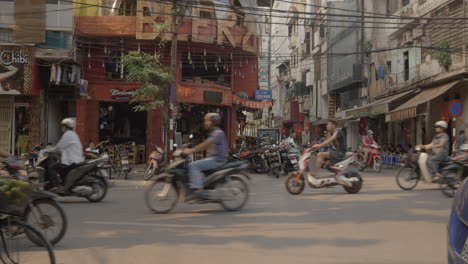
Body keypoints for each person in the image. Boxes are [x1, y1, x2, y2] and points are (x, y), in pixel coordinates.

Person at [182, 113, 228, 200]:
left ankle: (199, 191)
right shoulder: (215, 132)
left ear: (212, 122)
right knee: (197, 164)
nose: (205, 123)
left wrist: (192, 150)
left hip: (217, 160)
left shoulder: (217, 133)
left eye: (207, 121)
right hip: (214, 158)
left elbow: (206, 144)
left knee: (193, 165)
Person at [309, 119, 349, 185]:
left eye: (328, 124)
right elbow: (329, 142)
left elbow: (330, 140)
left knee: (320, 155)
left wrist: (319, 145)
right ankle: (333, 178)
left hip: (340, 153)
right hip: (336, 151)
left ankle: (314, 174)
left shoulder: (337, 131)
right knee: (325, 162)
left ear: (333, 125)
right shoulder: (331, 132)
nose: (327, 126)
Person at [49, 118, 83, 192]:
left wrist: (48, 150)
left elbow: (59, 146)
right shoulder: (73, 134)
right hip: (74, 160)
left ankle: (56, 185)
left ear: (66, 127)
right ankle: (63, 185)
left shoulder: (68, 134)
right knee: (59, 168)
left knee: (52, 167)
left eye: (63, 126)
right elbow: (64, 148)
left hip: (71, 161)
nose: (62, 128)